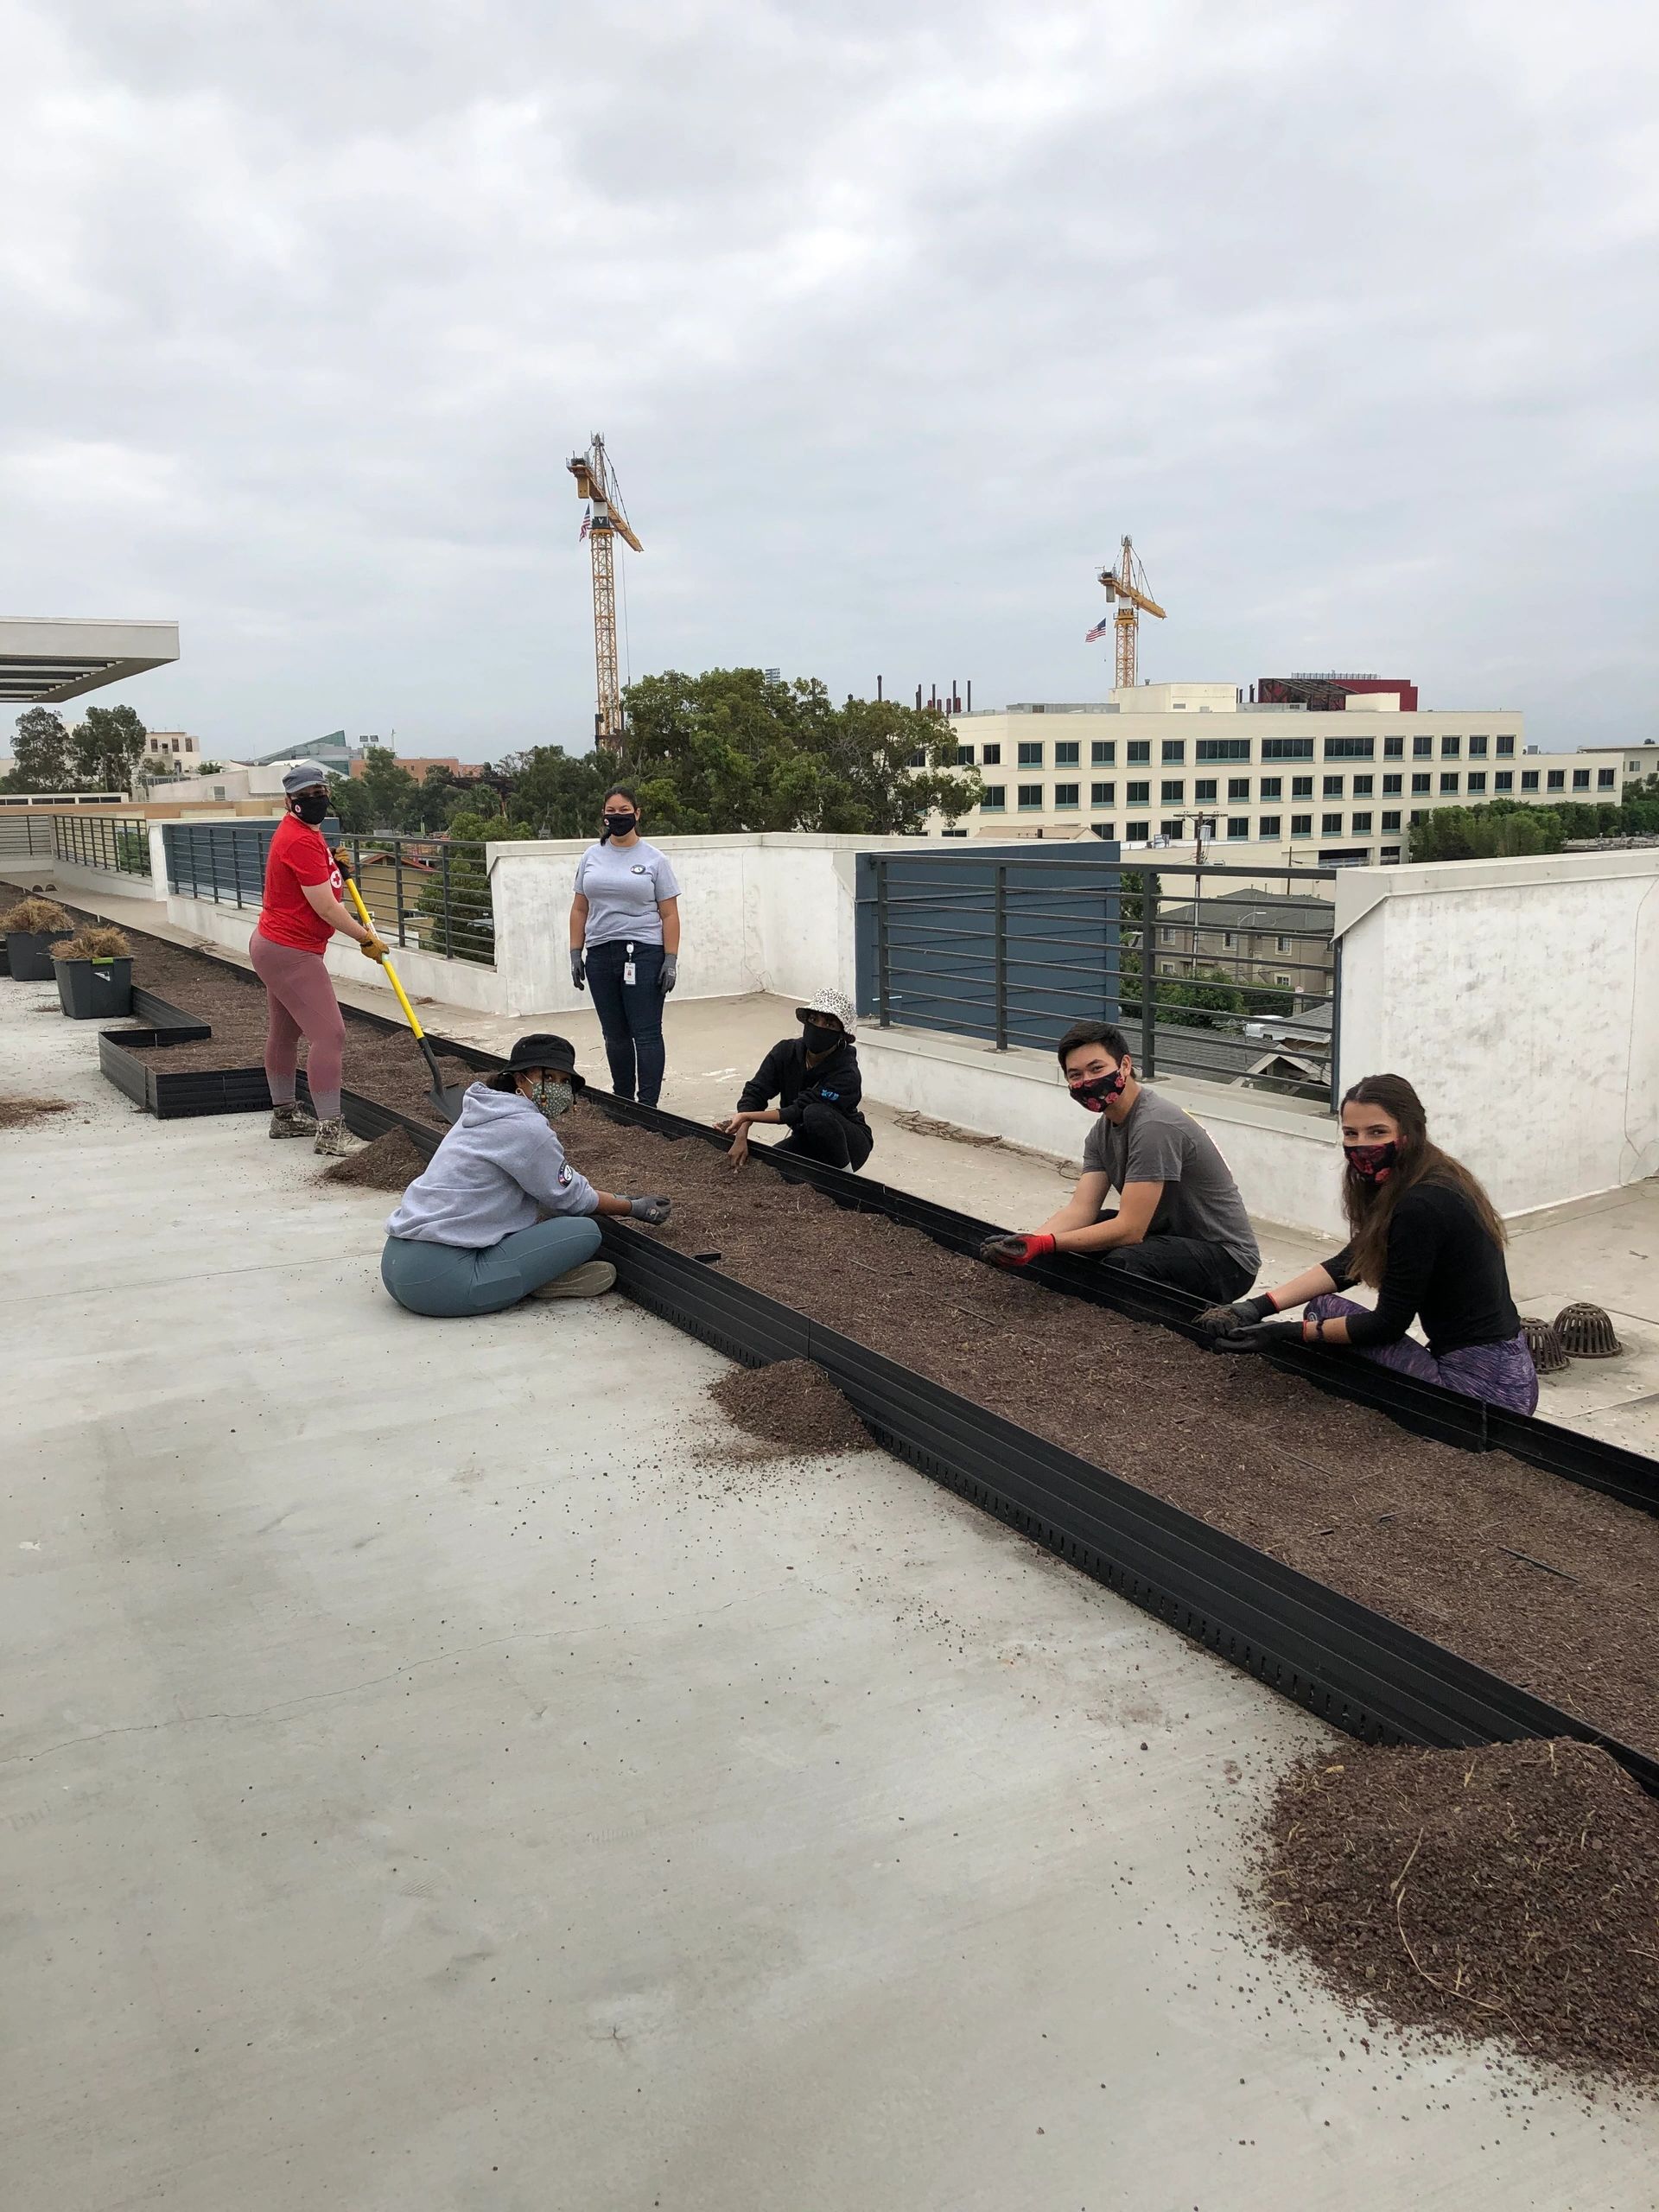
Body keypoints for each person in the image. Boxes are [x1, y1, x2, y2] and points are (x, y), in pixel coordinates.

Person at [1197, 1072, 1539, 1413]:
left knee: (1319, 1331)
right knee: (1324, 1309)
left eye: (1377, 1132)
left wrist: (1282, 1332)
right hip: (1501, 1370)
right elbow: (1349, 1263)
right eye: (1351, 1133)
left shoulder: (1423, 1204)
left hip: (1486, 1392)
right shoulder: (1425, 1177)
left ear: (1409, 1131)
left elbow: (1386, 1325)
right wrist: (1256, 1307)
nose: (1362, 1145)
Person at [380, 1033, 672, 1318]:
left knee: (535, 1215)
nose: (558, 1088)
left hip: (396, 1264)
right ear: (520, 1078)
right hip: (441, 1284)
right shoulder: (527, 1129)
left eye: (564, 1082)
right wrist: (632, 1206)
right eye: (548, 1078)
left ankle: (531, 1276)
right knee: (585, 1231)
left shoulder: (482, 1112)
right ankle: (534, 1282)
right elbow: (572, 1198)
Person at [978, 1020, 1260, 1301]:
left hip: (1226, 1257)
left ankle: (1187, 1322)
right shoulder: (1101, 1134)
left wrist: (1044, 1245)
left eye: (1096, 1068)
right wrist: (1027, 1243)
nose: (1086, 1081)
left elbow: (1130, 1230)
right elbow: (1080, 1210)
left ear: (1125, 1065)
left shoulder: (1155, 1126)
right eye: (1075, 1075)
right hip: (1167, 1237)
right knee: (1080, 1235)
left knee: (1126, 1265)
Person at [250, 760, 388, 1158]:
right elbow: (326, 908)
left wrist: (337, 867)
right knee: (331, 1035)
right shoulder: (298, 839)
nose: (315, 801)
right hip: (291, 952)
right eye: (305, 796)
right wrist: (366, 938)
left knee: (286, 1033)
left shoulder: (306, 834)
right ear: (288, 800)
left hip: (276, 945)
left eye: (320, 793)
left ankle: (285, 1116)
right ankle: (330, 1131)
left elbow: (319, 882)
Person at [568, 786, 681, 1107]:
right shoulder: (591, 856)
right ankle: (622, 1101)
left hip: (643, 954)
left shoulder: (654, 860)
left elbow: (669, 913)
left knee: (645, 1033)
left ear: (637, 813)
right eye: (611, 811)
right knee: (614, 1034)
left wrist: (670, 960)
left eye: (624, 810)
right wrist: (576, 952)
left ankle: (648, 1105)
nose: (617, 817)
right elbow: (579, 907)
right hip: (601, 954)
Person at [716, 989, 873, 1173]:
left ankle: (848, 1182)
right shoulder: (786, 1052)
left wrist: (748, 1116)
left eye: (829, 1025)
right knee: (769, 1168)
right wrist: (741, 1133)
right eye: (814, 1020)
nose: (819, 1028)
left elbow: (798, 1111)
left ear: (841, 1036)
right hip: (806, 1137)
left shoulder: (847, 1073)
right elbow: (756, 1092)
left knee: (816, 1114)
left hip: (849, 1144)